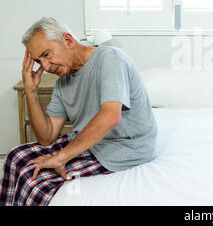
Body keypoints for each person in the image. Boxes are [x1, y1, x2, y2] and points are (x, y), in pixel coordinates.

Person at [0, 17, 158, 205]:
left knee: (35, 184)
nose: (46, 66)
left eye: (47, 54)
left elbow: (110, 116)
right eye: (38, 61)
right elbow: (46, 137)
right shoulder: (63, 82)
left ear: (67, 41)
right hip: (89, 142)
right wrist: (30, 90)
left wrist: (61, 157)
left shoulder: (111, 58)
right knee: (15, 157)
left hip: (124, 147)